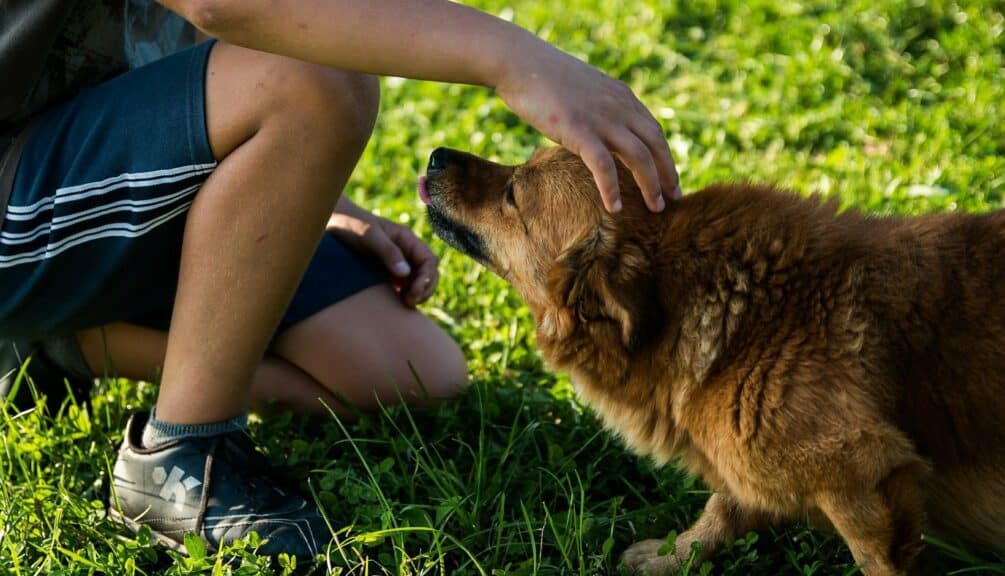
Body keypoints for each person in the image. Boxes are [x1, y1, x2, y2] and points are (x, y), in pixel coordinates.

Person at [0, 0, 679, 563]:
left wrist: (302, 193)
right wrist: (518, 60)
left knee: (410, 375)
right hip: (14, 183)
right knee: (320, 80)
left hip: (99, 163)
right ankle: (181, 455)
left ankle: (58, 343)